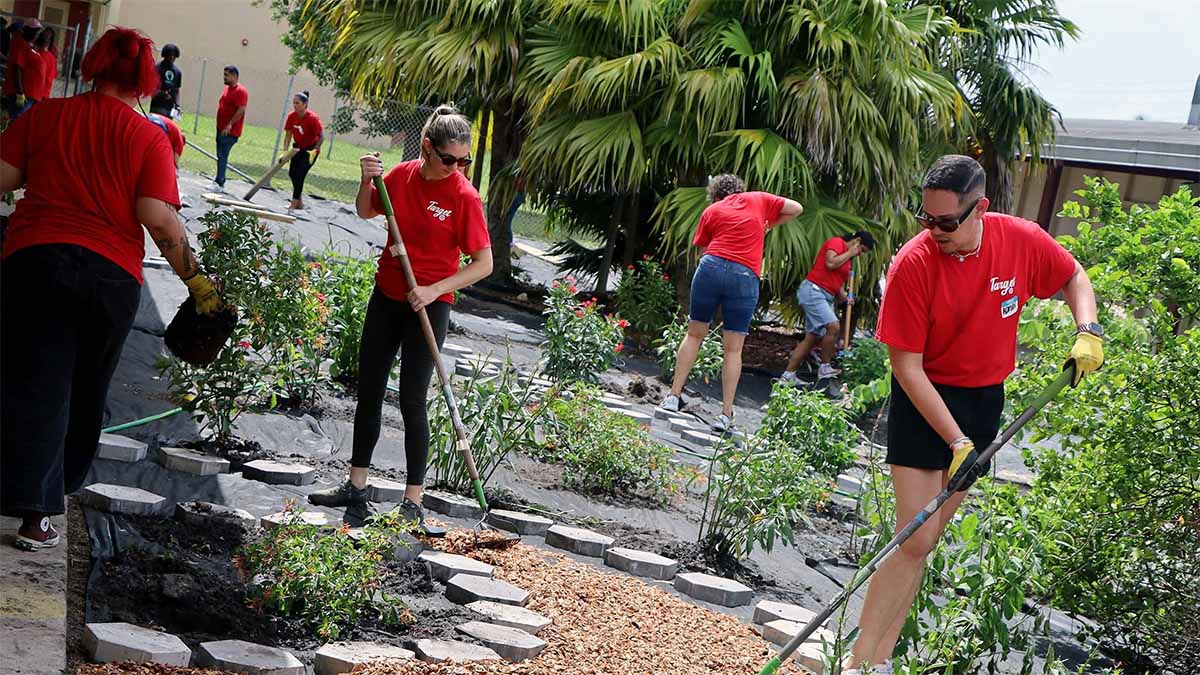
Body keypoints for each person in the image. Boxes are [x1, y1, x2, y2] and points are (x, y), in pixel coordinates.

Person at [841, 155, 1103, 674]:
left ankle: (879, 662)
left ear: (980, 208)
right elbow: (906, 366)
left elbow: (1073, 274)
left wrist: (1088, 330)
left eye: (946, 222)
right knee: (913, 536)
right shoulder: (914, 263)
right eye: (926, 218)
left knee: (927, 540)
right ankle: (859, 662)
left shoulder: (1019, 240)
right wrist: (956, 441)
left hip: (983, 401)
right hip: (926, 400)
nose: (933, 230)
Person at [0, 27, 226, 551]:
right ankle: (41, 510)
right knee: (84, 390)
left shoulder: (46, 116)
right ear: (146, 80)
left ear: (93, 66)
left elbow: (4, 177)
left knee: (30, 380)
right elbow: (157, 218)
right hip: (109, 278)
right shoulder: (148, 137)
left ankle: (29, 503)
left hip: (34, 262)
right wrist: (198, 284)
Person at [308, 105, 492, 528]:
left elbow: (484, 264)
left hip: (430, 306)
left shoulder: (464, 196)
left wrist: (434, 289)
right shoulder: (402, 176)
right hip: (388, 295)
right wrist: (365, 181)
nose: (456, 168)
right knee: (369, 391)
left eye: (463, 160)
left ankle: (412, 502)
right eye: (448, 159)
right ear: (427, 148)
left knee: (412, 400)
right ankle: (356, 486)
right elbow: (365, 210)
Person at [658, 174, 804, 432]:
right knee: (733, 349)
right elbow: (796, 208)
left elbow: (703, 251)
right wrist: (768, 224)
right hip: (744, 275)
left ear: (716, 195)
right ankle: (725, 415)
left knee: (694, 334)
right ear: (740, 190)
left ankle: (673, 396)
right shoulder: (757, 199)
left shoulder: (712, 210)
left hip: (711, 266)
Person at [779, 230, 875, 397]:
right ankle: (824, 367)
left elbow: (837, 282)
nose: (860, 254)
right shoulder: (837, 243)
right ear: (857, 241)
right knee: (834, 327)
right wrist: (850, 253)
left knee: (812, 338)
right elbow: (830, 263)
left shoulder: (847, 260)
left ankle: (788, 376)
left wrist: (846, 298)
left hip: (825, 296)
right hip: (813, 291)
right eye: (862, 250)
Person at [282, 90, 323, 211]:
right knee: (292, 174)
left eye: (297, 103)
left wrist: (315, 150)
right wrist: (285, 152)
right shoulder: (292, 116)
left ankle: (293, 205)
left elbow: (321, 136)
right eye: (294, 103)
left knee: (300, 175)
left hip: (310, 150)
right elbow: (288, 135)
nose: (295, 105)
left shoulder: (312, 118)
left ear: (305, 104)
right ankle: (299, 202)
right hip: (297, 148)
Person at [214, 64, 247, 189]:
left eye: (226, 75)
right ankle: (219, 180)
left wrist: (230, 125)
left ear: (234, 76)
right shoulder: (227, 89)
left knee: (222, 155)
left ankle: (220, 182)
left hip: (230, 131)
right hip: (221, 128)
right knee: (220, 155)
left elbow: (241, 110)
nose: (224, 77)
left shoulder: (240, 91)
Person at [2, 19, 42, 119]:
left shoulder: (27, 46)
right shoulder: (21, 45)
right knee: (17, 121)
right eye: (35, 32)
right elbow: (17, 69)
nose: (37, 35)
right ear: (27, 30)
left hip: (28, 94)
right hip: (20, 94)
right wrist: (20, 93)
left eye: (38, 32)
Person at [150, 43, 180, 117]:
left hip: (169, 107)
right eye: (170, 55)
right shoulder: (157, 69)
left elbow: (177, 90)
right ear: (165, 55)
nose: (172, 57)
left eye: (174, 55)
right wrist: (162, 93)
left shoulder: (177, 72)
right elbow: (152, 88)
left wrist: (177, 104)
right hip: (157, 105)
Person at [36, 27, 56, 101]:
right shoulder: (34, 53)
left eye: (48, 37)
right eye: (44, 36)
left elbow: (50, 78)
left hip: (42, 94)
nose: (46, 39)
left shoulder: (51, 58)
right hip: (31, 91)